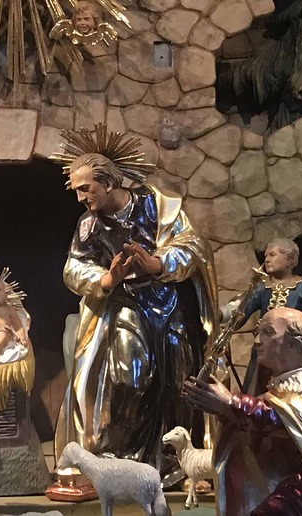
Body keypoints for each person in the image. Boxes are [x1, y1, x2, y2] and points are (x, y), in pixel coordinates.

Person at [53, 150, 219, 470]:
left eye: (85, 188)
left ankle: (171, 460)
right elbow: (74, 268)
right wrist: (106, 279)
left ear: (109, 182)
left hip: (169, 303)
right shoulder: (88, 224)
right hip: (125, 302)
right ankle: (122, 453)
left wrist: (158, 263)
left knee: (177, 378)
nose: (80, 198)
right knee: (128, 375)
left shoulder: (156, 204)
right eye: (76, 190)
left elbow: (192, 244)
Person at [184, 307, 302, 515]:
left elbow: (280, 419)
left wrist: (231, 403)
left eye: (267, 332)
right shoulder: (285, 384)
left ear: (294, 344)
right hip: (294, 480)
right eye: (257, 332)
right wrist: (223, 408)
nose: (257, 341)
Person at [221, 238, 302, 394]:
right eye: (265, 255)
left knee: (291, 390)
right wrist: (220, 314)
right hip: (264, 349)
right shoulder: (262, 287)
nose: (267, 259)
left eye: (272, 255)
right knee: (257, 388)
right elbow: (241, 307)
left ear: (290, 260)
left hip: (291, 351)